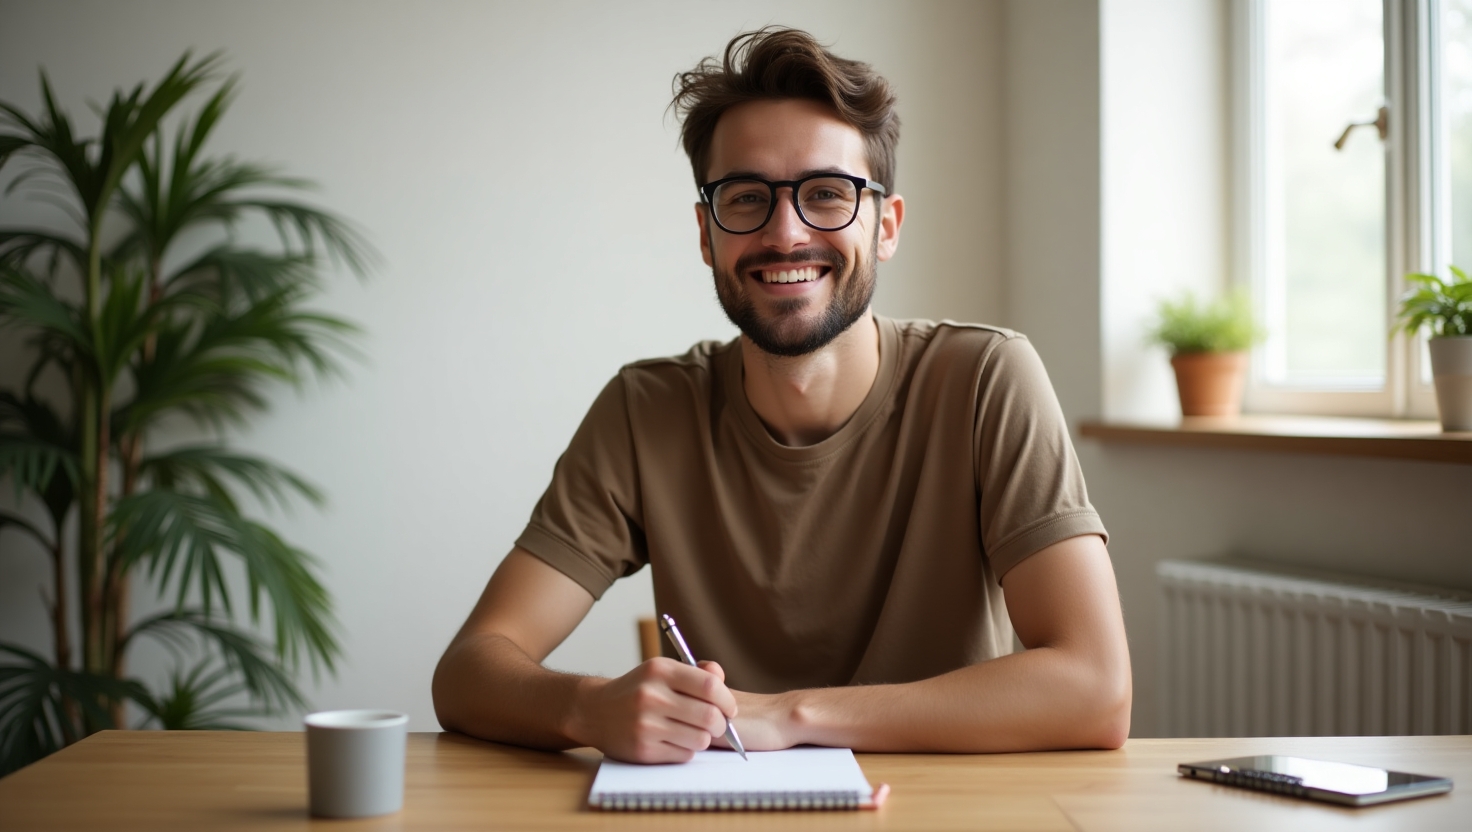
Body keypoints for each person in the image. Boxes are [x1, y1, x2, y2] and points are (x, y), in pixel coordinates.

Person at [432, 27, 1131, 764]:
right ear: (706, 234)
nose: (785, 232)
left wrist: (792, 714)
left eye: (828, 194)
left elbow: (1095, 688)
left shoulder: (988, 379)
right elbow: (469, 670)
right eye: (747, 198)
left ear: (885, 226)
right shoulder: (646, 411)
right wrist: (588, 706)